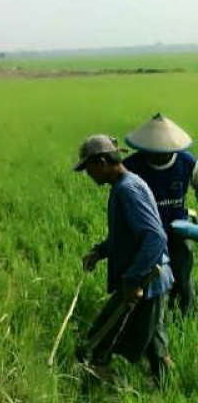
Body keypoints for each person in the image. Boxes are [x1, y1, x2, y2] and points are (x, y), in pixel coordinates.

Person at [75, 135, 174, 385]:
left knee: (101, 338)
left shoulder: (127, 190)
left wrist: (132, 280)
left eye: (88, 168)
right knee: (154, 341)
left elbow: (155, 237)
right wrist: (100, 252)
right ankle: (164, 386)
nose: (88, 174)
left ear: (102, 162)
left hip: (147, 278)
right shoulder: (127, 185)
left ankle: (107, 387)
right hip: (151, 276)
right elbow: (127, 236)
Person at [123, 113, 196, 315]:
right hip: (147, 234)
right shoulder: (132, 166)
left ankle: (185, 314)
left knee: (182, 276)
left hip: (178, 229)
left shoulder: (187, 162)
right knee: (151, 281)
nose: (158, 155)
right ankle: (153, 316)